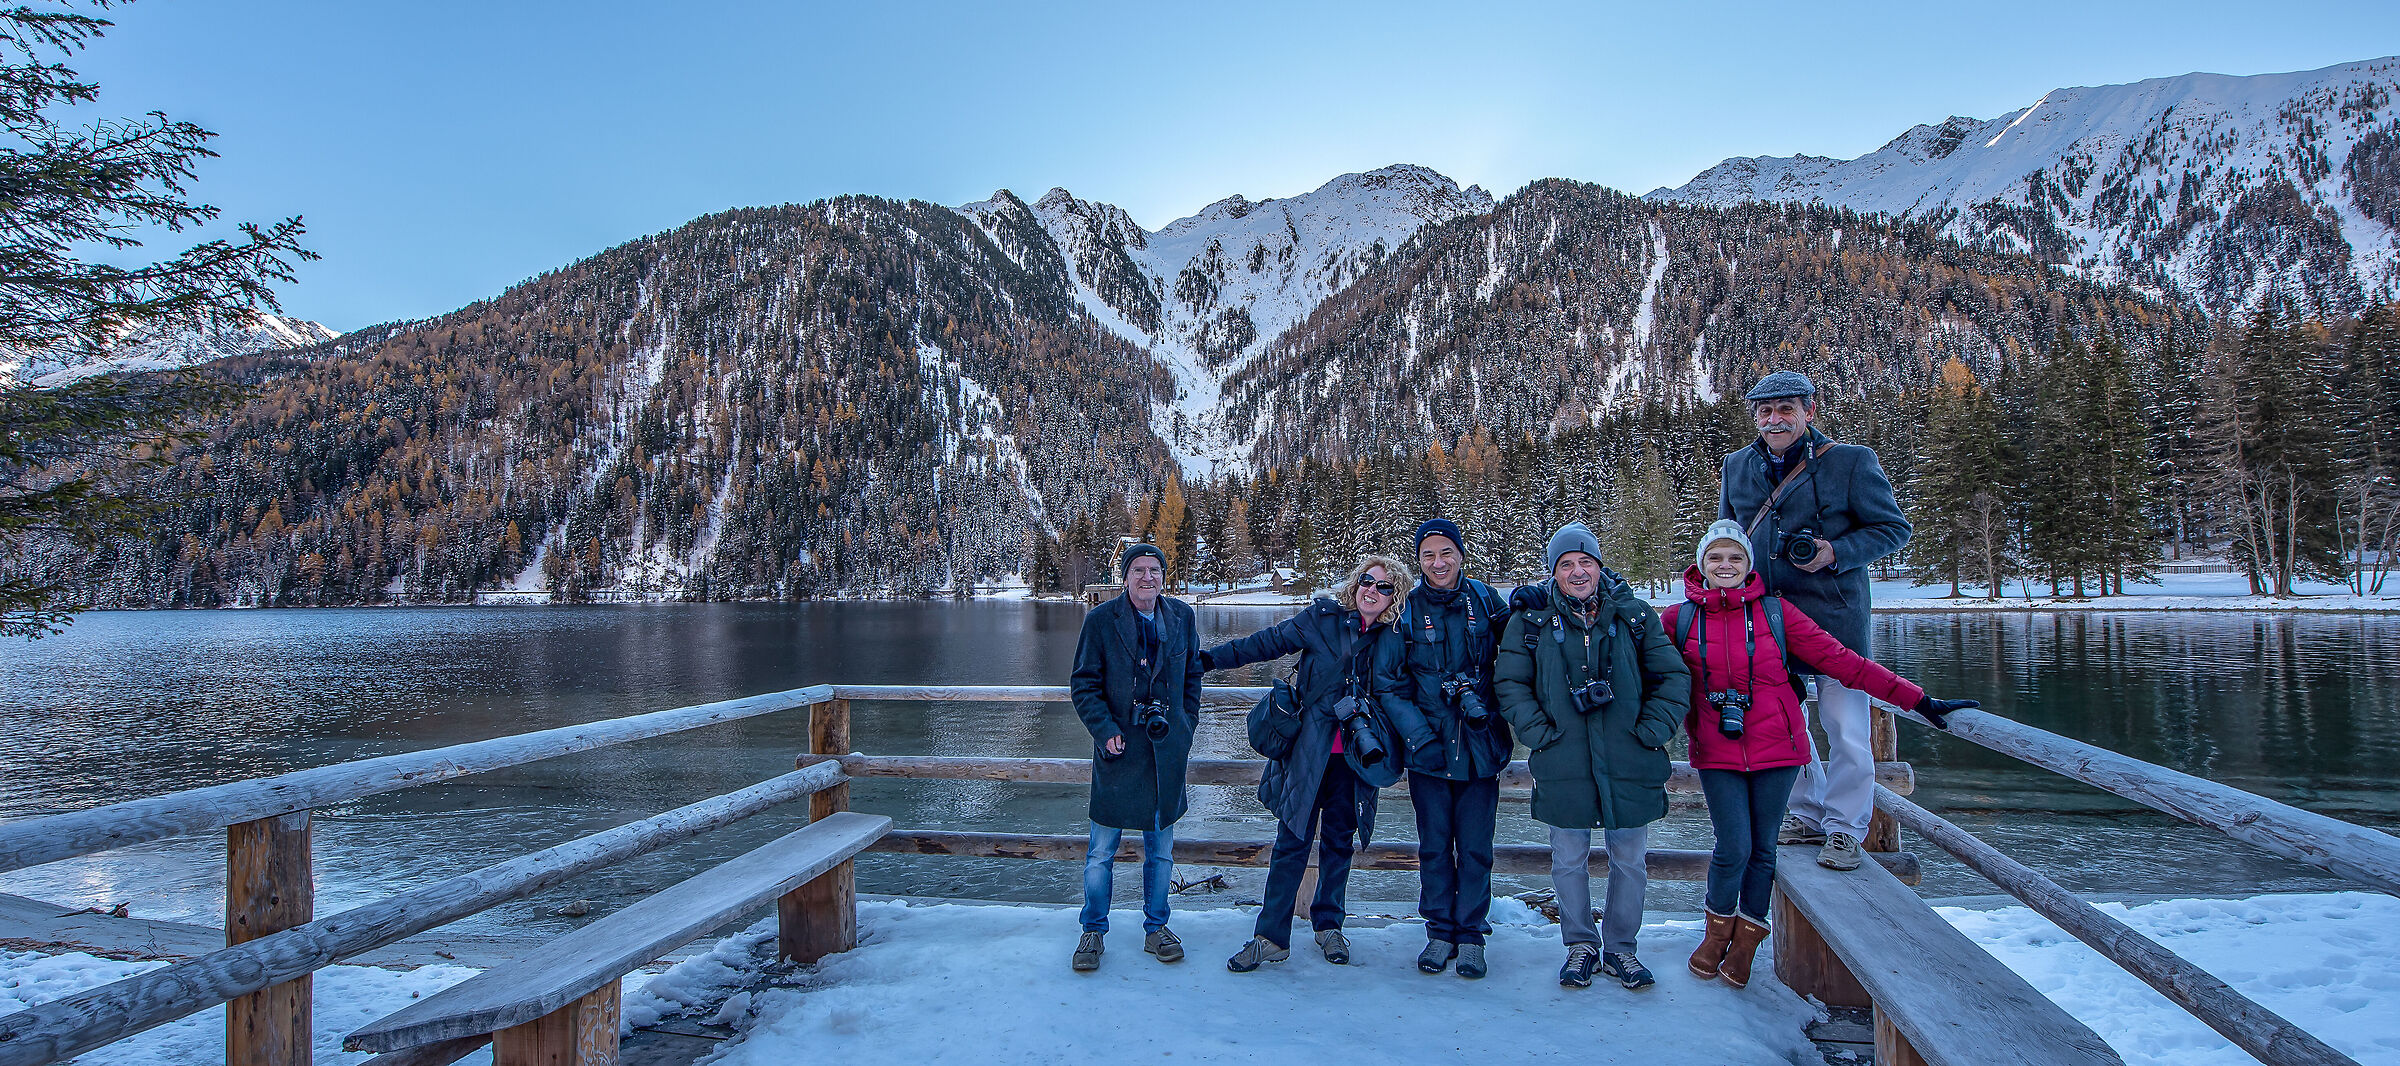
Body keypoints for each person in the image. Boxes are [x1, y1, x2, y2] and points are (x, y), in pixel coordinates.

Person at [1669, 520, 1979, 988]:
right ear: (1702, 565)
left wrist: (1917, 699)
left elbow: (1843, 661)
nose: (1725, 566)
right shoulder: (1679, 619)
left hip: (1779, 750)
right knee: (1732, 847)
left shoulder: (1777, 613)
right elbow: (1634, 661)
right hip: (1717, 750)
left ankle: (1748, 940)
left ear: (1748, 564)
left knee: (1763, 849)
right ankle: (1717, 933)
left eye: (1735, 557)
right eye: (1716, 557)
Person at [1719, 370, 1914, 872]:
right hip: (1768, 621)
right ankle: (1806, 814)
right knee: (1786, 726)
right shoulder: (1737, 465)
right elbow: (1728, 535)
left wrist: (1836, 552)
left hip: (1836, 621)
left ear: (1809, 411)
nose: (1774, 419)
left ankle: (1847, 829)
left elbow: (1894, 528)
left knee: (1847, 729)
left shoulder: (1851, 462)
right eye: (1764, 411)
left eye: (1785, 409)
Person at [1495, 523, 1689, 991]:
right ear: (1553, 572)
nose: (1577, 572)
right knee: (1567, 858)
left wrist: (1651, 731)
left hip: (1628, 757)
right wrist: (1539, 733)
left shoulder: (1635, 617)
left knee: (1630, 860)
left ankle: (1622, 949)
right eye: (1566, 564)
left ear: (1600, 567)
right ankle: (1580, 945)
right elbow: (1510, 684)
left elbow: (1674, 679)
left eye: (1585, 562)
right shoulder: (1531, 622)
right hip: (1563, 759)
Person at [1201, 554, 1411, 972]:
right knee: (1291, 843)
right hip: (1309, 755)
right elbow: (1266, 642)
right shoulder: (1322, 618)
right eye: (1367, 580)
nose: (1372, 590)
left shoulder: (1395, 638)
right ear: (1355, 583)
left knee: (1339, 843)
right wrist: (1208, 660)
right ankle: (1270, 937)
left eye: (1384, 587)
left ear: (1395, 596)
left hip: (1356, 760)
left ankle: (1329, 924)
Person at [1377, 517, 1512, 979]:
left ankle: (1471, 934)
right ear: (1419, 560)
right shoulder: (1406, 610)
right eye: (1428, 554)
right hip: (1429, 752)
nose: (1438, 562)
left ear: (1460, 553)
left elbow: (1513, 653)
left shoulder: (1484, 599)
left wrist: (1533, 604)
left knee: (1476, 847)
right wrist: (1419, 737)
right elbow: (1389, 685)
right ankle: (1438, 931)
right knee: (1434, 847)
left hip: (1480, 747)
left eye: (1446, 552)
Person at [1067, 543, 1203, 972]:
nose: (1148, 577)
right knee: (1100, 852)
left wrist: (1185, 724)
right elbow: (1083, 684)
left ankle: (1156, 928)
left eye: (1155, 570)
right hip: (1117, 751)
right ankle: (1092, 931)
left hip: (1165, 753)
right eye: (1139, 570)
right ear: (1125, 577)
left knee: (1161, 852)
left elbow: (1193, 676)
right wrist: (1105, 730)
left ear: (1165, 576)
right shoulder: (1100, 621)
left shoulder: (1182, 617)